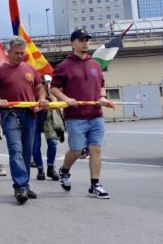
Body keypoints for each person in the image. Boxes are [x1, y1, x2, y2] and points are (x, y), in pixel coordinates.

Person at [0, 36, 49, 204]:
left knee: (27, 151)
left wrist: (42, 98)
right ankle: (19, 186)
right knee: (16, 150)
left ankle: (24, 185)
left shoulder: (30, 69)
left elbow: (40, 88)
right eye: (17, 53)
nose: (21, 56)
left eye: (22, 53)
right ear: (8, 52)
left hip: (30, 115)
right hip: (10, 115)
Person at [50, 29, 113, 199]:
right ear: (72, 43)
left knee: (95, 149)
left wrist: (102, 97)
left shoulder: (95, 65)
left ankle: (95, 185)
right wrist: (66, 98)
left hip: (95, 115)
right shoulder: (63, 66)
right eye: (81, 40)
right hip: (75, 116)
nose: (85, 42)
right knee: (77, 151)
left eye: (87, 40)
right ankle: (64, 171)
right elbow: (53, 87)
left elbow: (102, 84)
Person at [32, 75, 60, 181]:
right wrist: (36, 108)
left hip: (49, 117)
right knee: (35, 145)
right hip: (34, 117)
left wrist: (49, 92)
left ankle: (51, 168)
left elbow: (56, 103)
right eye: (43, 81)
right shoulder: (32, 88)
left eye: (46, 81)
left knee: (53, 142)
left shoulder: (51, 89)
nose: (44, 83)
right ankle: (40, 169)